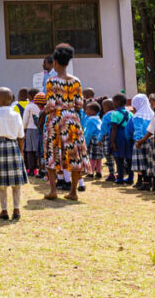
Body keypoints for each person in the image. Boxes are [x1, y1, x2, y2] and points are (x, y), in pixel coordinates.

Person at [42, 44, 90, 201]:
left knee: (51, 152)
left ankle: (53, 190)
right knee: (73, 154)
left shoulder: (51, 81)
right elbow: (79, 104)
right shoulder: (76, 81)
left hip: (56, 119)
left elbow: (50, 105)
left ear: (55, 62)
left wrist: (45, 113)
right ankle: (73, 192)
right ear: (68, 63)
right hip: (72, 120)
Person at [0, 87, 27, 220]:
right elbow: (21, 137)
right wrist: (21, 153)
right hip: (14, 147)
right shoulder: (16, 114)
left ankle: (4, 211)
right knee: (16, 183)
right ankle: (17, 210)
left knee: (1, 183)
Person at [21, 91, 45, 176]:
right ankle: (39, 169)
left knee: (30, 150)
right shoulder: (44, 106)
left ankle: (31, 170)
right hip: (41, 130)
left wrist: (23, 129)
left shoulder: (29, 106)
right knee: (38, 150)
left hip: (30, 129)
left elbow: (25, 119)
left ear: (31, 96)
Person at [83, 101, 103, 178]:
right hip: (100, 139)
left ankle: (90, 172)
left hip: (93, 140)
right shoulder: (98, 118)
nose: (85, 111)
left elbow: (88, 133)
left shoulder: (90, 120)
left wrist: (85, 143)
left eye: (87, 109)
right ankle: (99, 172)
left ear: (93, 111)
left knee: (92, 157)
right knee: (99, 158)